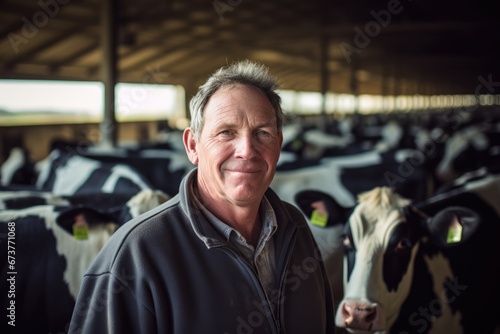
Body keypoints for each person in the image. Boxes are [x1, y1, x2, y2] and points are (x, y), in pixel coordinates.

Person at [68, 60, 336, 334]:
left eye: (262, 133)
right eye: (226, 132)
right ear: (193, 146)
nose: (247, 150)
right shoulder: (134, 255)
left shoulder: (295, 226)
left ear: (278, 145)